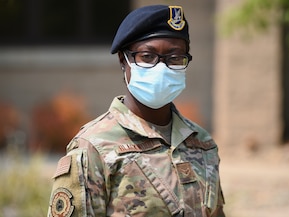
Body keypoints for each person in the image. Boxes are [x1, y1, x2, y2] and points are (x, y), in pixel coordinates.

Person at [47, 5, 225, 217]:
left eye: (175, 58)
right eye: (148, 57)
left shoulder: (202, 143)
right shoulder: (94, 147)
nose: (163, 68)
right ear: (124, 60)